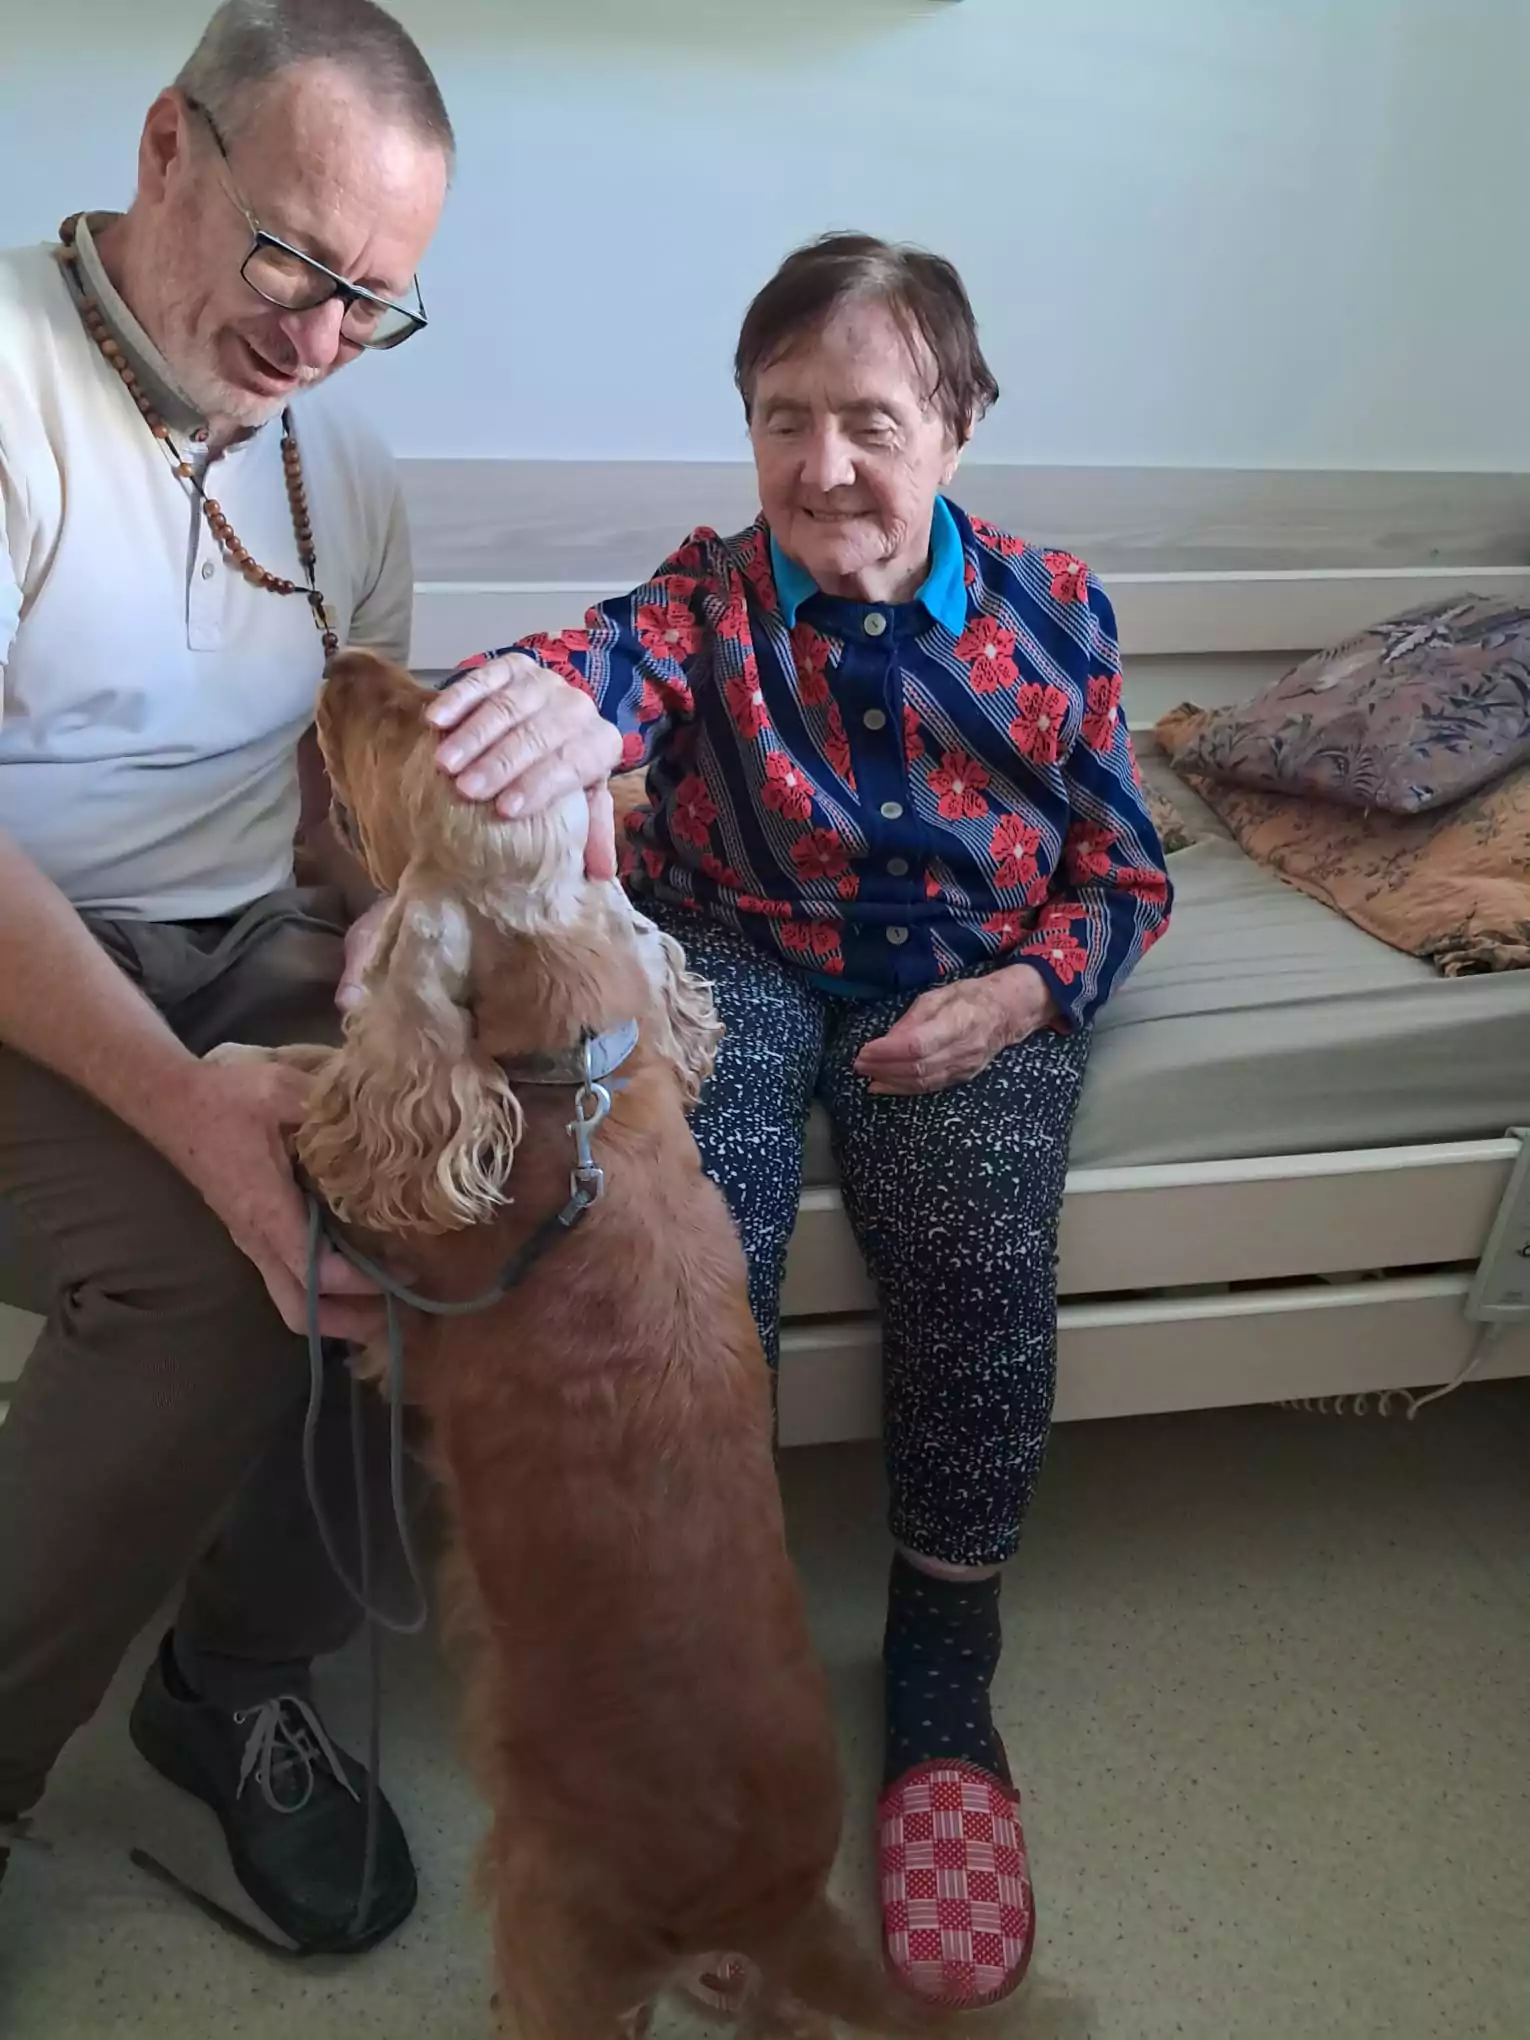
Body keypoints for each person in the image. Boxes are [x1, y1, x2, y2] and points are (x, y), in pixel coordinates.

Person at [412, 232, 1172, 2007]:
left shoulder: (1055, 607)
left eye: (869, 422)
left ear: (956, 425)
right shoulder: (707, 597)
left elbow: (1126, 872)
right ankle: (693, 1657)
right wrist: (538, 706)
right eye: (781, 418)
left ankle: (941, 1680)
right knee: (686, 1245)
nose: (822, 466)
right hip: (740, 950)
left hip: (966, 969)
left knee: (974, 1245)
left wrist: (1021, 994)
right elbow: (602, 664)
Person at [0, 0, 483, 1957]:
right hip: (28, 963)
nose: (318, 338)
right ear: (164, 150)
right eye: (294, 259)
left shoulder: (337, 463)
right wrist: (193, 1114)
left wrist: (390, 919)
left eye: (373, 301)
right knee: (210, 1269)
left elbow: (334, 799)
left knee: (468, 1202)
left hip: (237, 944)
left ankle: (236, 1678)